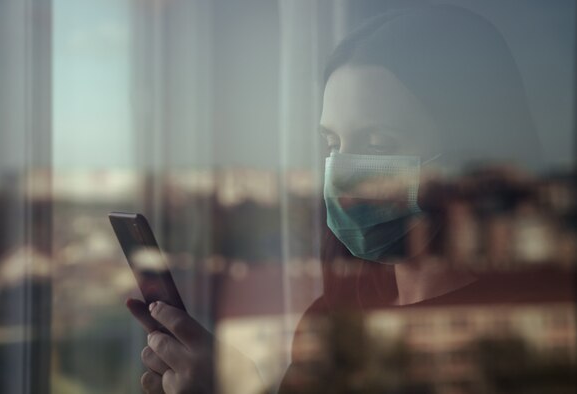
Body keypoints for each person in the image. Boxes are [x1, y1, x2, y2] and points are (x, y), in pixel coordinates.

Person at [127, 4, 573, 393]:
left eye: (377, 143)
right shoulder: (335, 315)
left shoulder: (524, 331)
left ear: (471, 155)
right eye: (333, 144)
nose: (342, 171)